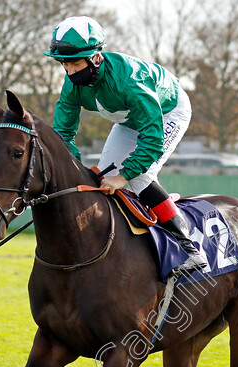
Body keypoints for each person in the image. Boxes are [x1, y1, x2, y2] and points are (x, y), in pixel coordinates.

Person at [45, 16, 207, 272]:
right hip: (129, 120)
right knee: (101, 176)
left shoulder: (130, 81)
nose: (70, 71)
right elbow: (63, 133)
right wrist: (74, 167)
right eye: (64, 64)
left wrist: (124, 176)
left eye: (75, 63)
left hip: (167, 112)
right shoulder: (72, 85)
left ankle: (189, 249)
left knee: (140, 177)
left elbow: (151, 142)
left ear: (95, 58)